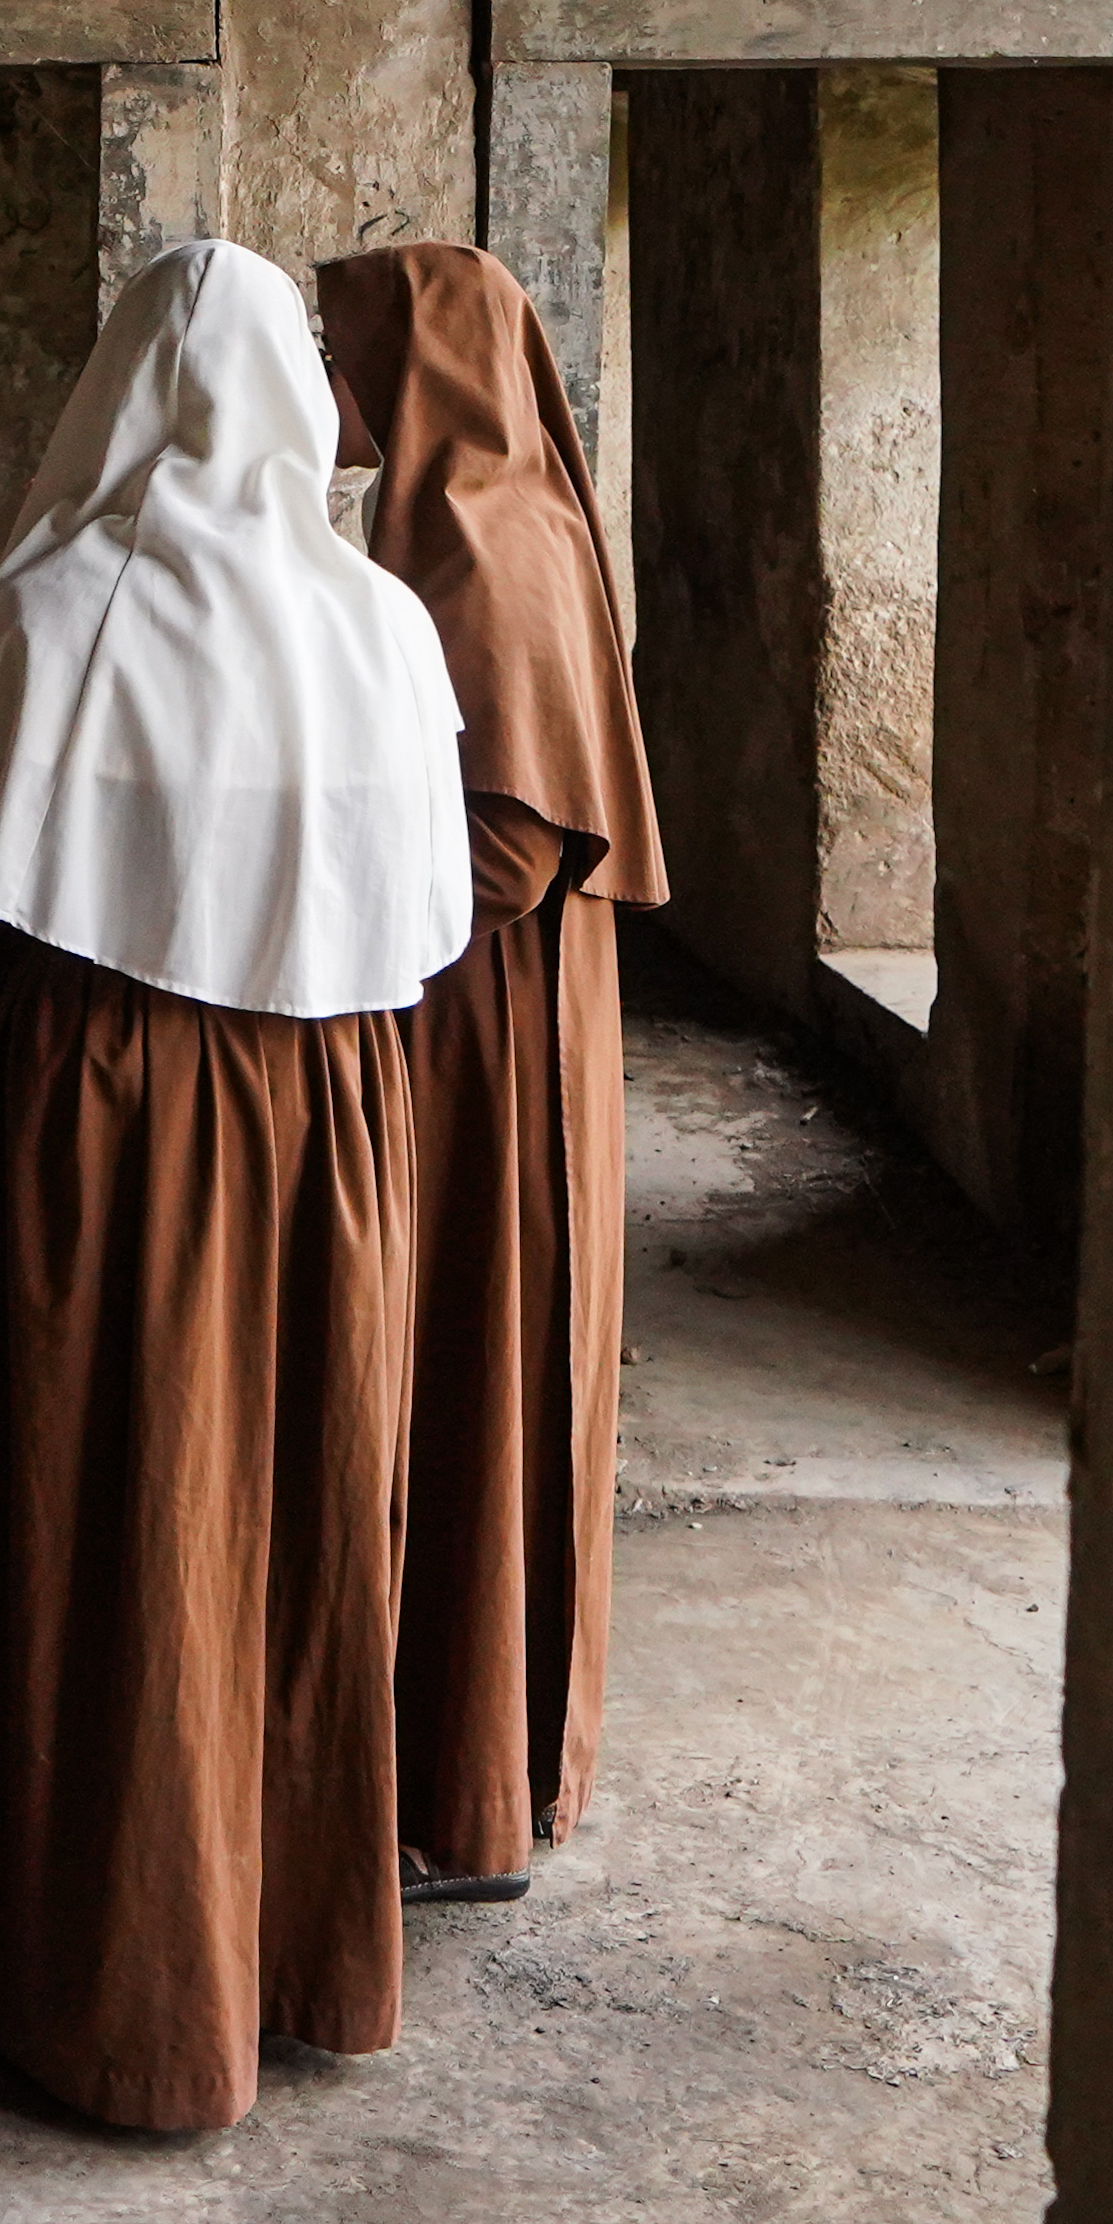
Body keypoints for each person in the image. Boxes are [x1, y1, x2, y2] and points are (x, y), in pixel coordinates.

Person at [0, 239, 470, 2132]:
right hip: (325, 1127)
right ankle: (267, 1943)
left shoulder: (55, 616)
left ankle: (34, 1945)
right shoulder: (381, 626)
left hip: (91, 1121)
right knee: (274, 1509)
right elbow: (421, 939)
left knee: (74, 1510)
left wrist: (11, 1106)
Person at [313, 242, 671, 1903]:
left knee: (478, 1354)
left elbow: (511, 840)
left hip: (482, 1021)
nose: (327, 373)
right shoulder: (464, 514)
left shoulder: (485, 537)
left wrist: (323, 884)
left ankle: (474, 1770)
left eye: (349, 341)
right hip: (480, 1005)